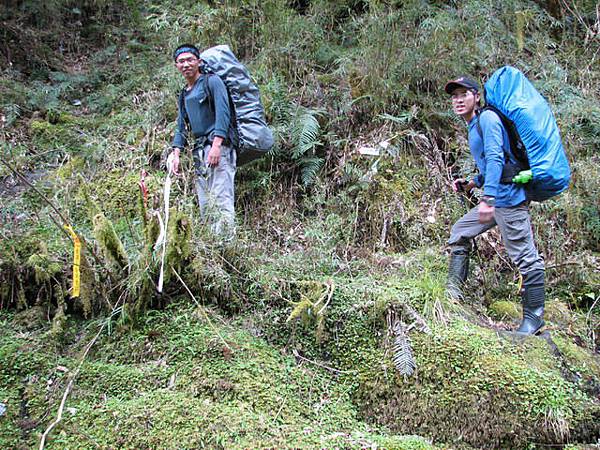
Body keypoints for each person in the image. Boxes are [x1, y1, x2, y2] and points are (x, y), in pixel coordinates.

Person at [444, 76, 546, 335]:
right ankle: (453, 296)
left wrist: (487, 198)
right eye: (454, 96)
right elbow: (492, 165)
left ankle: (534, 320)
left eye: (463, 94)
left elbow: (496, 157)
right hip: (497, 196)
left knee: (525, 255)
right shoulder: (474, 124)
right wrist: (473, 182)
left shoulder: (487, 119)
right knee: (460, 232)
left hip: (508, 200)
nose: (458, 100)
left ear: (476, 96)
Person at [168, 44, 236, 239]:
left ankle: (227, 247)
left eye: (190, 60)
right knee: (206, 203)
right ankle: (214, 247)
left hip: (218, 148)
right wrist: (176, 153)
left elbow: (224, 113)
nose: (186, 64)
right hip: (199, 151)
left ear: (199, 61)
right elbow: (181, 125)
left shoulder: (212, 82)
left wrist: (217, 145)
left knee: (221, 199)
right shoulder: (184, 93)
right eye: (181, 61)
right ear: (176, 65)